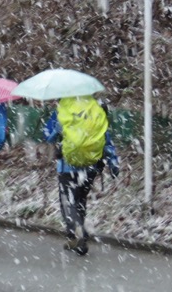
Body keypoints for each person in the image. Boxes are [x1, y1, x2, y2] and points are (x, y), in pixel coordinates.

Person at [43, 98, 120, 256]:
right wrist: (113, 163)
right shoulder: (95, 112)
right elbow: (107, 140)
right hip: (91, 166)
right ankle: (77, 239)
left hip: (67, 166)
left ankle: (77, 230)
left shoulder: (64, 111)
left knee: (68, 201)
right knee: (80, 200)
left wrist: (57, 132)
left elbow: (48, 136)